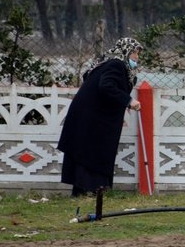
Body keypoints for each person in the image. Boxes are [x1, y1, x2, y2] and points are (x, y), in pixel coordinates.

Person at [57, 37, 143, 196]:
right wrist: (128, 101)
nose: (137, 57)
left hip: (90, 115)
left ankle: (84, 191)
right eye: (134, 53)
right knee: (90, 152)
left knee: (87, 152)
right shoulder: (116, 65)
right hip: (91, 116)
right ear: (125, 52)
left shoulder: (108, 63)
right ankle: (91, 190)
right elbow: (106, 86)